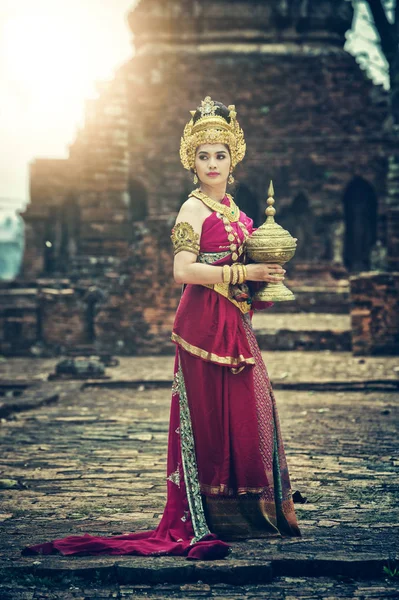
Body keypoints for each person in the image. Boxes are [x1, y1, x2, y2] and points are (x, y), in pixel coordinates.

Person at [22, 96, 301, 561]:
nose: (212, 163)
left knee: (246, 411)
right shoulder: (192, 209)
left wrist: (265, 276)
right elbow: (183, 272)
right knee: (210, 418)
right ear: (191, 164)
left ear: (234, 160)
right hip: (202, 325)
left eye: (221, 154)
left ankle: (244, 513)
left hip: (233, 321)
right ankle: (205, 515)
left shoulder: (234, 209)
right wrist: (242, 275)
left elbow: (244, 261)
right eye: (203, 156)